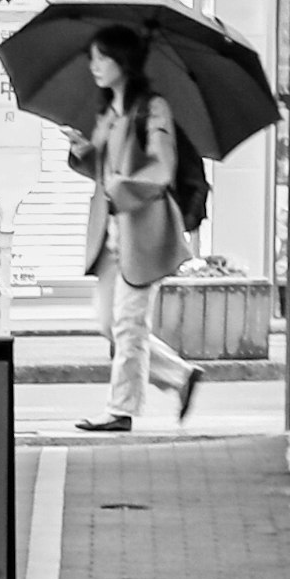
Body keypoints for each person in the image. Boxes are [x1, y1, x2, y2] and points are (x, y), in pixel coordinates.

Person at [69, 23, 199, 431]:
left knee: (128, 324)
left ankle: (120, 410)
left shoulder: (153, 108)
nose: (94, 66)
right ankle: (180, 376)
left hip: (143, 233)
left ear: (123, 61)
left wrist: (121, 185)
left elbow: (162, 168)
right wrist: (83, 150)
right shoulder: (108, 112)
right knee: (109, 323)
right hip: (110, 235)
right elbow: (104, 172)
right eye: (92, 58)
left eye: (102, 58)